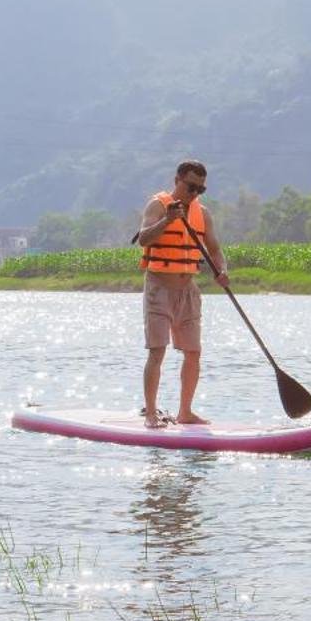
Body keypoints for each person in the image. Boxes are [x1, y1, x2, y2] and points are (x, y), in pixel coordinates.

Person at [134, 159, 229, 427]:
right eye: (190, 186)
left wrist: (221, 270)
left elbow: (215, 249)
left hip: (188, 289)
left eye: (201, 189)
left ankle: (185, 411)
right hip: (159, 287)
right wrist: (167, 220)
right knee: (157, 351)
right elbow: (143, 238)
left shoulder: (203, 213)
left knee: (193, 352)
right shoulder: (158, 205)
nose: (194, 193)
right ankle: (151, 415)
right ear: (177, 180)